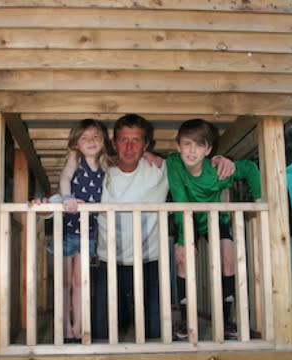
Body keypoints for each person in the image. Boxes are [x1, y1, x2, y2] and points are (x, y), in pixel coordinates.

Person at [92, 114, 235, 340]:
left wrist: (222, 159)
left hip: (150, 263)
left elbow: (193, 163)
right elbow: (72, 190)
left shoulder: (163, 169)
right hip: (109, 264)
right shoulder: (101, 174)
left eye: (136, 140)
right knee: (102, 332)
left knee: (155, 333)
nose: (129, 147)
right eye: (123, 140)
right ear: (114, 143)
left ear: (146, 144)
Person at [165, 119, 261, 340]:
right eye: (187, 144)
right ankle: (186, 321)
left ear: (208, 150)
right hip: (185, 219)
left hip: (215, 220)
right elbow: (180, 201)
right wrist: (182, 239)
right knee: (183, 259)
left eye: (199, 145)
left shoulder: (217, 171)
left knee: (228, 256)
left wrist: (259, 200)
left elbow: (250, 169)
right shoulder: (173, 163)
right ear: (178, 146)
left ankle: (226, 321)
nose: (192, 150)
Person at [56, 118, 110, 342]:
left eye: (96, 136)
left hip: (88, 231)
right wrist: (67, 197)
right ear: (76, 143)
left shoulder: (106, 165)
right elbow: (65, 177)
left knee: (80, 281)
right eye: (85, 137)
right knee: (65, 281)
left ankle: (78, 327)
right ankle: (64, 327)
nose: (91, 141)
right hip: (67, 228)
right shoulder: (75, 158)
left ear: (103, 142)